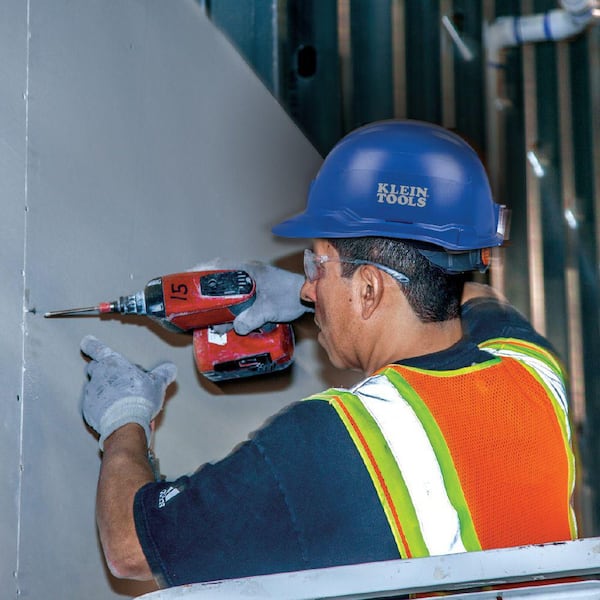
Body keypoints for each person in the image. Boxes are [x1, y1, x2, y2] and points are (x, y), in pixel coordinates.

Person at [80, 120, 577, 588]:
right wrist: (309, 290)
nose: (311, 289)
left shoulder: (342, 442)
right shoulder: (532, 370)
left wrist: (125, 420)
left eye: (316, 265)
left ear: (369, 289)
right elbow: (478, 300)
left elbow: (129, 547)